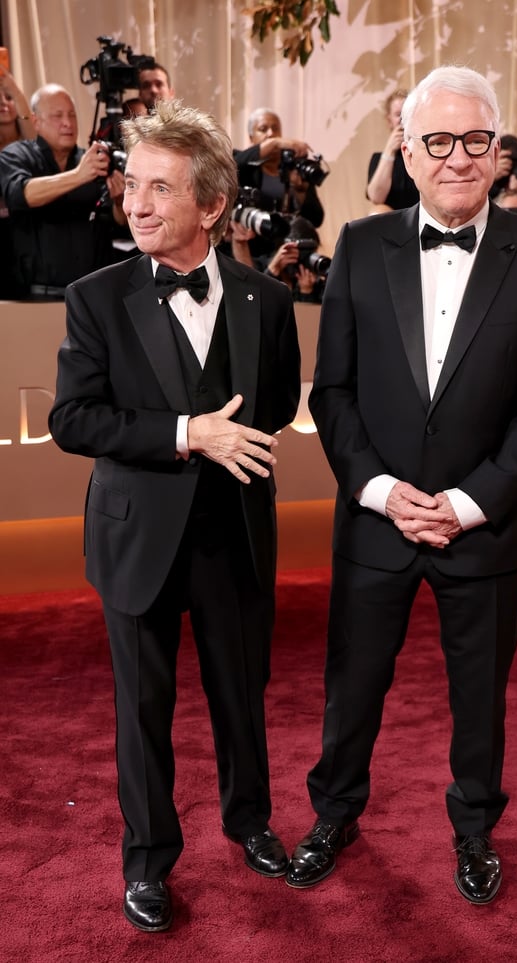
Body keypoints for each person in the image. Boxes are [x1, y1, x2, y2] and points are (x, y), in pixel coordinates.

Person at [286, 65, 517, 904]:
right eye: (437, 141)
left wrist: (470, 501)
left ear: (498, 154)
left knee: (479, 697)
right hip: (376, 518)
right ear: (406, 151)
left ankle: (475, 830)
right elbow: (330, 391)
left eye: (475, 141)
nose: (457, 158)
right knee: (354, 684)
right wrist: (378, 490)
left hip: (482, 525)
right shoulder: (361, 244)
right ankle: (334, 812)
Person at [48, 99, 301, 933]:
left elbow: (267, 411)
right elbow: (73, 420)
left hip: (234, 534)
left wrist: (233, 442)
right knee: (142, 711)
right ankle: (148, 862)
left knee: (242, 695)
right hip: (136, 536)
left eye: (161, 188)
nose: (139, 203)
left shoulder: (268, 300)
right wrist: (189, 433)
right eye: (132, 186)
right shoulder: (95, 297)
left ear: (214, 205)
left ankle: (250, 821)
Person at [0, 83, 125, 299]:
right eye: (58, 116)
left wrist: (119, 201)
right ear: (36, 121)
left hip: (94, 296)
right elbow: (20, 195)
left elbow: (118, 222)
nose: (67, 123)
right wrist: (78, 176)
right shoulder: (17, 155)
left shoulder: (92, 161)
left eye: (72, 115)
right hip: (36, 298)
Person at [0, 66, 35, 298]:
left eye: (8, 98)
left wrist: (12, 87)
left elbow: (34, 133)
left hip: (27, 234)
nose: (4, 103)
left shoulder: (29, 147)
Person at [366, 89, 419, 211]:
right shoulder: (378, 159)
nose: (402, 120)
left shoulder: (424, 153)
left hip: (422, 214)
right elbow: (376, 198)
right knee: (378, 211)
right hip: (393, 219)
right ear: (389, 120)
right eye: (398, 115)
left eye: (406, 114)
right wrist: (389, 151)